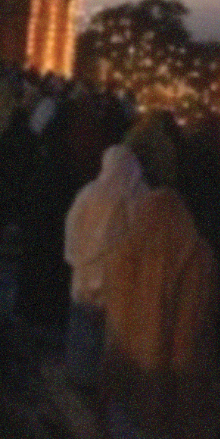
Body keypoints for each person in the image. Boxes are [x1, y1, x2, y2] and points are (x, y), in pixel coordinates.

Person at [101, 187, 220, 439]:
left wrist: (105, 395)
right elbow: (191, 342)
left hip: (125, 403)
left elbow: (114, 333)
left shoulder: (123, 255)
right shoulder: (198, 259)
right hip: (171, 410)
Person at [62, 145, 148, 391]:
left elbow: (73, 229)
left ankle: (79, 376)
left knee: (83, 327)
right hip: (119, 282)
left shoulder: (90, 193)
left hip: (86, 276)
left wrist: (80, 259)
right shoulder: (140, 198)